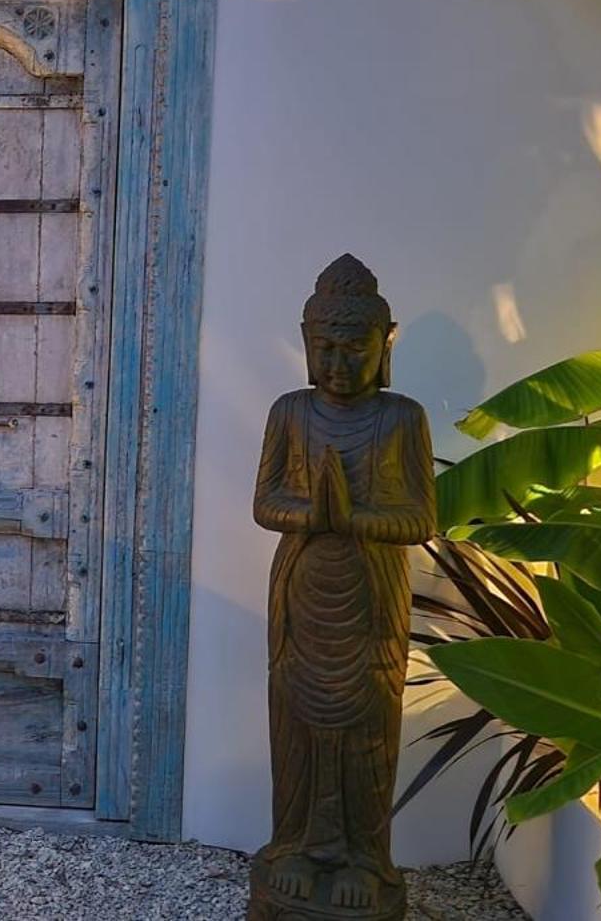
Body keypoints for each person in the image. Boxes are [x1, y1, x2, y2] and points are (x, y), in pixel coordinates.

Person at [247, 254, 434, 920]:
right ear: (306, 342)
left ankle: (362, 857)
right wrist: (312, 515)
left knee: (368, 720)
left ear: (384, 346)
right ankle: (296, 845)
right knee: (295, 717)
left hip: (372, 595)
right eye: (323, 346)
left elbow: (421, 516)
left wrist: (354, 518)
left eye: (353, 347)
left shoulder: (402, 418)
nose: (336, 361)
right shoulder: (291, 412)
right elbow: (265, 501)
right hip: (301, 595)